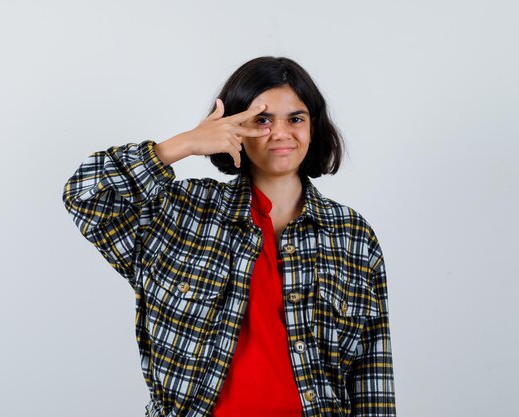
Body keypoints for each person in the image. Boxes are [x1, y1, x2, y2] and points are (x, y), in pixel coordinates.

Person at [62, 56, 396, 417]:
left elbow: (371, 373)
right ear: (234, 127)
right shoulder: (180, 214)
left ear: (314, 127)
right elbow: (85, 194)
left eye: (296, 119)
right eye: (263, 120)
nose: (281, 133)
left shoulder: (350, 234)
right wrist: (185, 143)